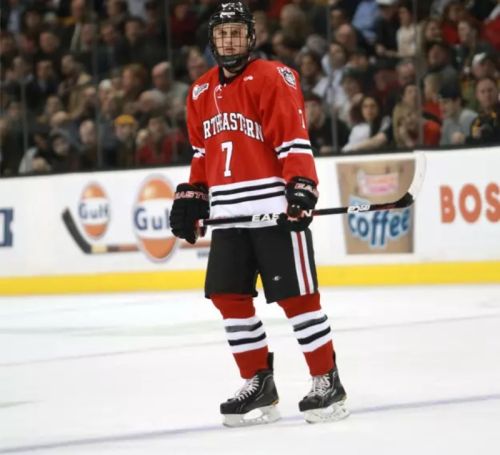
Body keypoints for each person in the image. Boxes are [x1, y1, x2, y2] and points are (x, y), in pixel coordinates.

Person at [169, 1, 348, 427]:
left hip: (274, 210)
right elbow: (202, 154)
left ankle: (327, 380)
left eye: (236, 32)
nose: (229, 40)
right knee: (227, 297)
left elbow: (293, 139)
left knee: (298, 298)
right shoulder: (199, 92)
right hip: (229, 214)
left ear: (251, 37)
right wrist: (194, 194)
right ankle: (258, 383)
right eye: (222, 33)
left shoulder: (272, 76)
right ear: (212, 41)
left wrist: (301, 186)